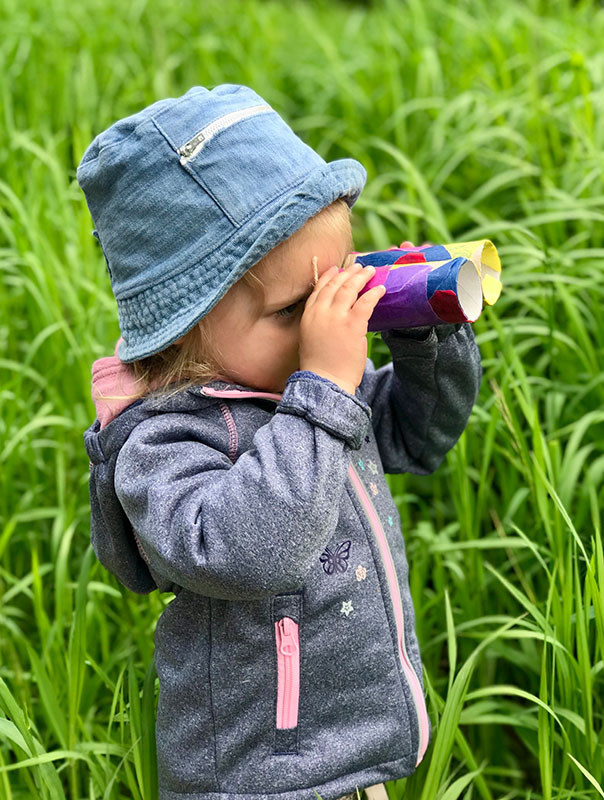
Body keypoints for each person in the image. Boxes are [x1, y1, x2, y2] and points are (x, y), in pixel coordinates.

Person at [78, 84, 482, 800]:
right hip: (257, 777)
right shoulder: (162, 443)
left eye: (343, 283)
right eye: (298, 307)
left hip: (353, 764)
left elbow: (416, 435)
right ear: (185, 327)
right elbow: (251, 549)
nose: (330, 321)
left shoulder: (304, 394)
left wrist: (423, 334)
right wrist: (324, 389)